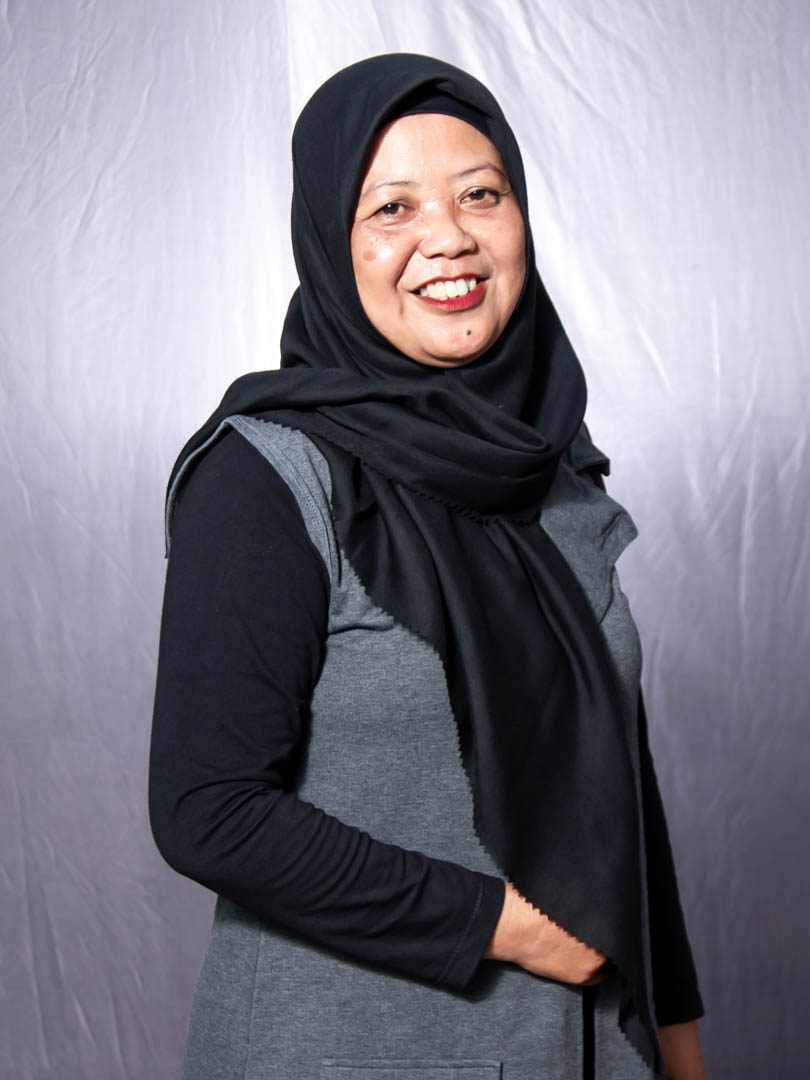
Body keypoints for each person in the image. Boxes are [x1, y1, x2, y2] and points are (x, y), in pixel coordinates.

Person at [149, 53, 707, 1080]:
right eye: (391, 208)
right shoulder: (267, 476)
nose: (448, 236)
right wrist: (509, 926)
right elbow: (209, 812)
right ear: (332, 244)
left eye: (480, 195)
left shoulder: (557, 478)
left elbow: (618, 792)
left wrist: (679, 1047)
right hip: (340, 1050)